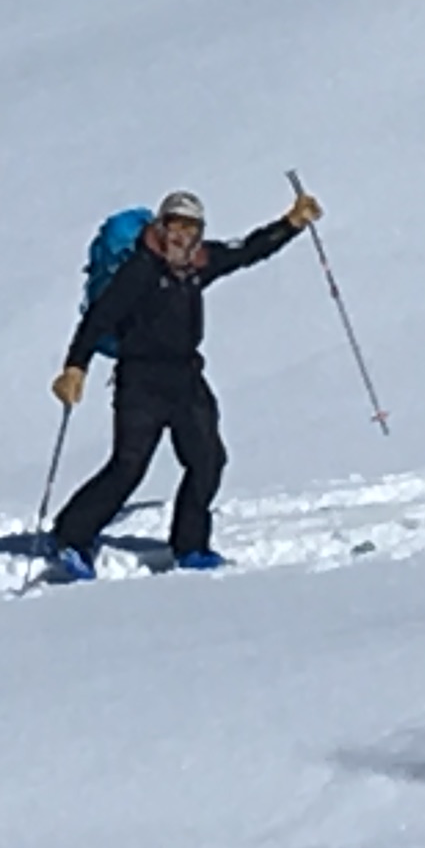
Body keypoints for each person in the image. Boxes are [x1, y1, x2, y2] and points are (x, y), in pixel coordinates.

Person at [46, 186, 317, 580]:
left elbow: (246, 251)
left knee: (207, 459)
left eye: (191, 228)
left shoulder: (199, 263)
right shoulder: (139, 269)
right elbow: (98, 318)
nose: (182, 236)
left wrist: (290, 224)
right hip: (140, 381)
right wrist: (75, 368)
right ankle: (72, 537)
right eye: (175, 225)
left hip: (186, 378)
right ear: (161, 224)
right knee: (128, 466)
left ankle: (191, 546)